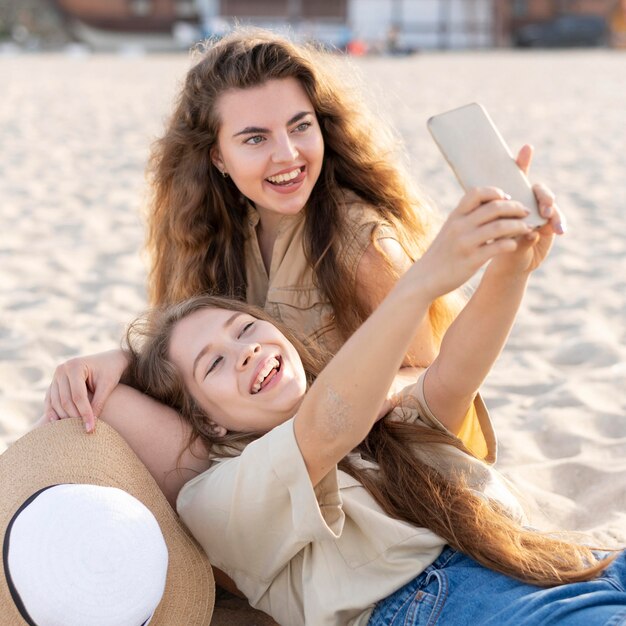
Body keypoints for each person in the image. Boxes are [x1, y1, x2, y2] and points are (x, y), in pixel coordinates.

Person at [41, 28, 561, 508]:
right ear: (218, 157)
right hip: (258, 457)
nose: (287, 155)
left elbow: (433, 376)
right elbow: (194, 358)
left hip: (366, 466)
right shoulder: (209, 234)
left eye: (300, 126)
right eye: (254, 138)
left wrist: (348, 393)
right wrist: (120, 361)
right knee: (97, 407)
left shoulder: (362, 244)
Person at [126, 186, 624, 626]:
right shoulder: (216, 498)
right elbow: (324, 429)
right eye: (213, 364)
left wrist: (513, 266)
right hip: (437, 602)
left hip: (541, 557)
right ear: (206, 419)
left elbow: (452, 377)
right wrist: (421, 282)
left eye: (246, 328)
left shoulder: (373, 411)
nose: (245, 351)